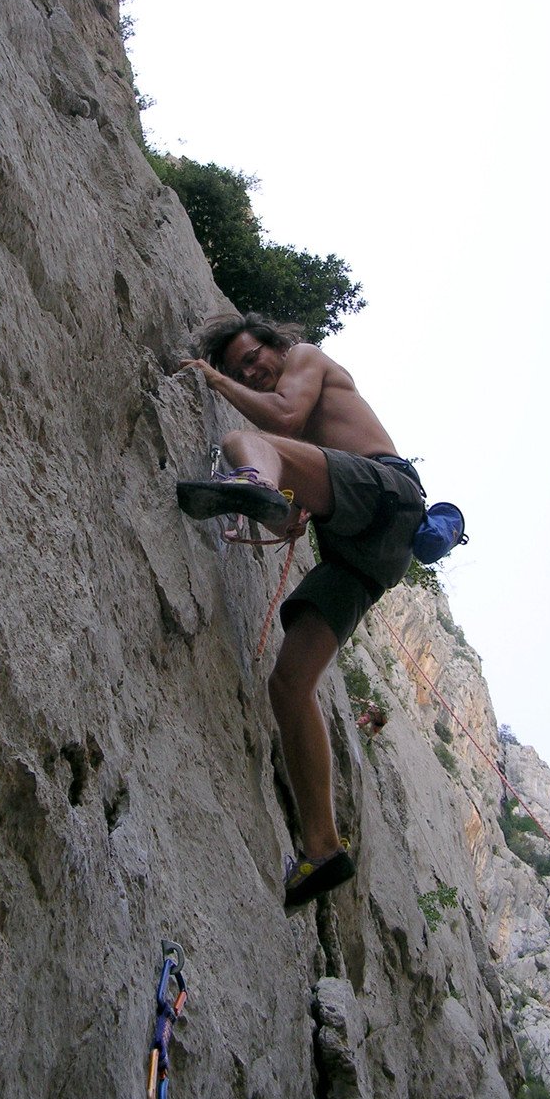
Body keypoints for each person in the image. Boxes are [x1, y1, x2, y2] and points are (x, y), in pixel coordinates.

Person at [176, 312, 424, 912]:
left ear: (275, 344)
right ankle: (320, 846)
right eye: (239, 368)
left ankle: (250, 478)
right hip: (363, 550)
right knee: (290, 685)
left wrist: (212, 378)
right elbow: (305, 464)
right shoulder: (300, 407)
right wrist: (286, 510)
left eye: (253, 356)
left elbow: (283, 419)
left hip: (388, 494)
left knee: (245, 443)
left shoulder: (306, 358)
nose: (251, 369)